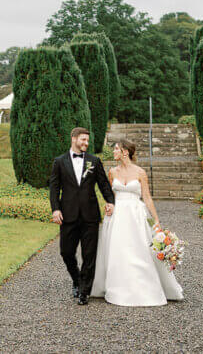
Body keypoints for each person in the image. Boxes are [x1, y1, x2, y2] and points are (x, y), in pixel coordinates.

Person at [90, 139, 184, 306]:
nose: (114, 152)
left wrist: (156, 220)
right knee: (118, 250)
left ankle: (143, 287)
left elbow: (146, 197)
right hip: (117, 215)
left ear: (125, 152)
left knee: (138, 250)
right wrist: (108, 205)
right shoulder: (112, 172)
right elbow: (110, 195)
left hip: (135, 214)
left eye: (116, 149)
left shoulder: (140, 172)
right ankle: (118, 286)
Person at [48, 127, 115, 305]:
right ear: (74, 139)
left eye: (87, 141)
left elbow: (103, 184)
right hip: (68, 215)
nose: (86, 143)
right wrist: (55, 209)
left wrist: (110, 201)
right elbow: (54, 188)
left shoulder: (94, 161)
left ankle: (85, 291)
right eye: (83, 140)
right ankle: (77, 279)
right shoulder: (59, 162)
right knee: (66, 252)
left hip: (90, 215)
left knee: (89, 255)